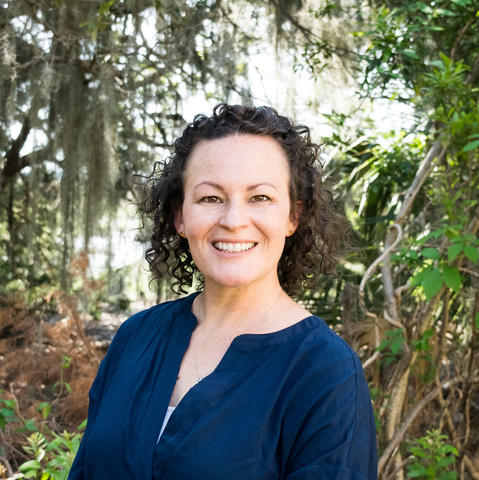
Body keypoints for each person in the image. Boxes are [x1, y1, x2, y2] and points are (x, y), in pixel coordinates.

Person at [68, 104, 377, 479]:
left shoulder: (324, 370)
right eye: (210, 198)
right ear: (180, 216)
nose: (233, 221)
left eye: (259, 198)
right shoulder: (136, 337)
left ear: (293, 217)